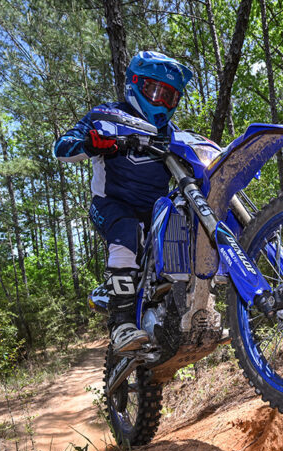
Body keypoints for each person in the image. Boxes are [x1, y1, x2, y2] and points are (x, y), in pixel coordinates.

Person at [54, 51, 193, 353]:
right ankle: (121, 324)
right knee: (127, 232)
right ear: (135, 85)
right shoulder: (106, 116)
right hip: (111, 205)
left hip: (155, 212)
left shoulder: (173, 134)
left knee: (187, 221)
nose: (161, 102)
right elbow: (62, 147)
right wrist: (90, 143)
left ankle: (189, 313)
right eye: (155, 92)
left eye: (170, 97)